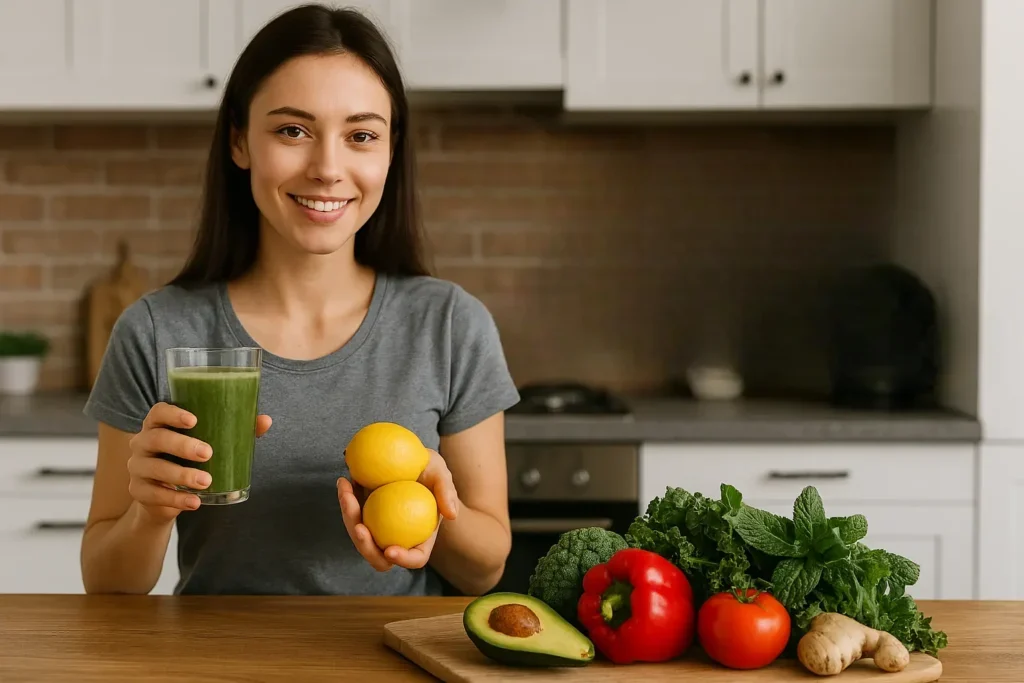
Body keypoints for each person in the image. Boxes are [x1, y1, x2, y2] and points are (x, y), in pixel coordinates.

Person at [78, 3, 519, 597]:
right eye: (292, 131)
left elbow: (485, 569)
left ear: (390, 151)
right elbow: (106, 589)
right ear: (240, 142)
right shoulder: (157, 330)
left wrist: (436, 510)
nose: (328, 168)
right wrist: (151, 512)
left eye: (361, 135)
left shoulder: (449, 325)